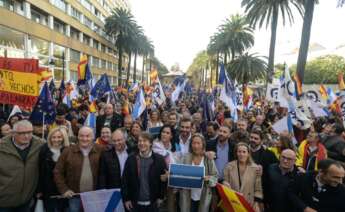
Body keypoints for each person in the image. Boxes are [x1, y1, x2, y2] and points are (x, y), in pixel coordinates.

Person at [54, 126, 104, 212]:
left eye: (88, 136)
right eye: (81, 136)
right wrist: (64, 190)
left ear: (93, 137)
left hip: (93, 196)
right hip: (74, 197)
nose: (84, 139)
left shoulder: (101, 150)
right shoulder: (68, 151)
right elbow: (57, 172)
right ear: (78, 136)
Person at [0, 120, 44, 211]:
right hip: (3, 202)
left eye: (29, 132)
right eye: (22, 133)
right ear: (13, 133)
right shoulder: (2, 147)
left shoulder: (40, 145)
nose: (27, 136)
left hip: (26, 201)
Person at [122, 132, 167, 212]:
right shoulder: (131, 159)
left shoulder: (159, 160)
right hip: (134, 204)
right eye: (139, 141)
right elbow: (125, 180)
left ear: (150, 143)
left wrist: (161, 197)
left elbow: (163, 180)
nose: (141, 143)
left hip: (152, 204)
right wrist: (126, 199)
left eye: (145, 141)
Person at [179, 133, 218, 212]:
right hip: (188, 196)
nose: (196, 146)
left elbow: (215, 177)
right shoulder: (185, 158)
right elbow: (179, 175)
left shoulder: (208, 159)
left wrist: (209, 178)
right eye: (194, 143)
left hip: (203, 197)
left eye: (198, 143)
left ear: (203, 144)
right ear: (191, 144)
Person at [37, 127, 70, 212]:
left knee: (62, 209)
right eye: (54, 137)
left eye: (59, 137)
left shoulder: (67, 151)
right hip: (48, 189)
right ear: (50, 138)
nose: (56, 139)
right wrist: (39, 190)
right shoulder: (44, 150)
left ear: (63, 138)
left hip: (63, 188)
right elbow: (40, 171)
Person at [223, 142, 263, 211]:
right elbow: (225, 183)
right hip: (233, 202)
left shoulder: (255, 168)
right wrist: (224, 184)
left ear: (248, 154)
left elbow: (258, 189)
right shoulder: (229, 166)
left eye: (244, 152)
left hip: (249, 203)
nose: (241, 154)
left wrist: (256, 203)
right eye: (239, 152)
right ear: (236, 153)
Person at [152, 125, 178, 212]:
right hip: (157, 183)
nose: (164, 134)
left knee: (170, 207)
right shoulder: (154, 146)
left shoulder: (172, 147)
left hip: (170, 182)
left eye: (167, 133)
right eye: (163, 132)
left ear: (171, 136)